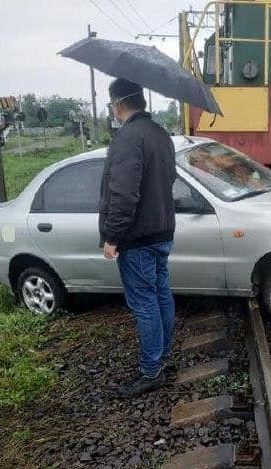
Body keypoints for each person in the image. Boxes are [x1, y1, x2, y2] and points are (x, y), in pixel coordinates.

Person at [99, 79, 177, 396]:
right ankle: (162, 355)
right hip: (161, 231)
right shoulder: (160, 134)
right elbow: (168, 179)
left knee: (144, 304)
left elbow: (123, 196)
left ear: (117, 105)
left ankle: (150, 370)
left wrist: (112, 236)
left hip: (138, 237)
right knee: (160, 296)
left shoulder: (127, 139)